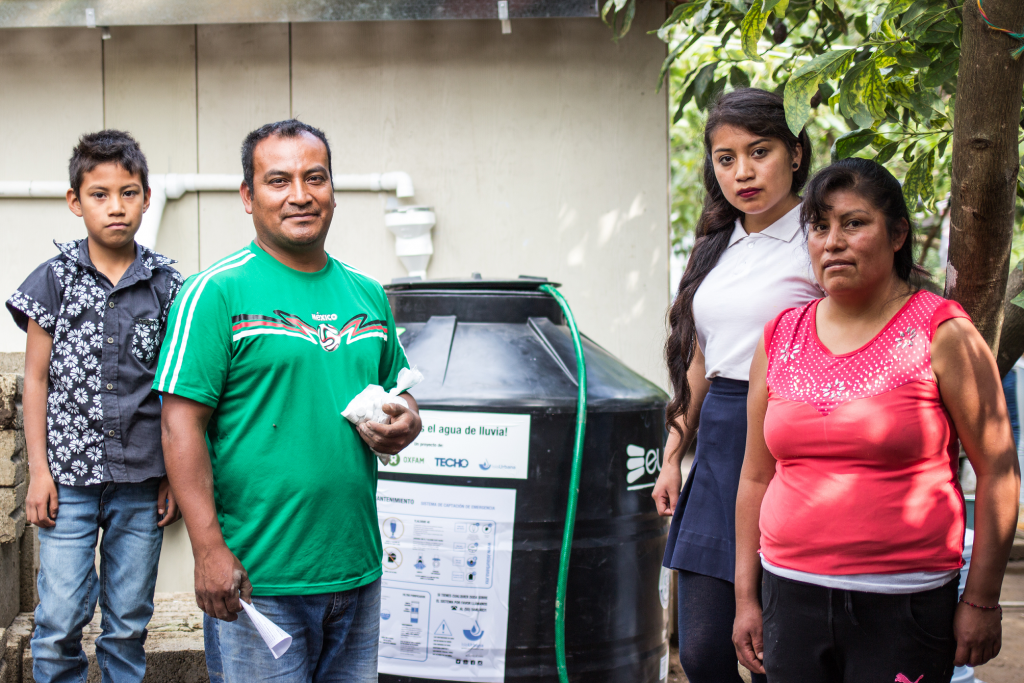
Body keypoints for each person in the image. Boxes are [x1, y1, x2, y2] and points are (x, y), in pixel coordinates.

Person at [733, 158, 1022, 682]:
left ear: (897, 235)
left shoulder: (943, 332)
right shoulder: (780, 335)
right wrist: (746, 597)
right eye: (819, 227)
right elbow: (756, 474)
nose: (833, 241)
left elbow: (999, 471)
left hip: (905, 604)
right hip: (788, 594)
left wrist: (981, 601)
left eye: (854, 223)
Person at [156, 119, 422, 683]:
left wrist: (408, 422)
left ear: (332, 190)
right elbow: (180, 428)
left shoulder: (368, 293)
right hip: (257, 580)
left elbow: (401, 395)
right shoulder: (215, 292)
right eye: (278, 181)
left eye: (315, 178)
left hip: (355, 570)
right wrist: (207, 550)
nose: (300, 195)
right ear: (249, 198)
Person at [651, 88, 822, 683]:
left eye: (760, 151)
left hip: (790, 446)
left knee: (781, 651)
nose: (743, 172)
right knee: (702, 653)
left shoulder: (820, 239)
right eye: (726, 158)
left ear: (795, 154)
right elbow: (698, 359)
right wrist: (673, 454)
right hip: (721, 447)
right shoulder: (717, 244)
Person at [7, 130, 184, 683]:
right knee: (59, 620)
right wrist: (39, 472)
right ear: (75, 201)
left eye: (128, 193)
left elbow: (179, 389)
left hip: (141, 481)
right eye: (100, 194)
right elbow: (34, 381)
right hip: (68, 481)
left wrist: (176, 475)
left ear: (147, 197)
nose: (116, 206)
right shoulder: (53, 280)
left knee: (129, 621)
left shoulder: (168, 285)